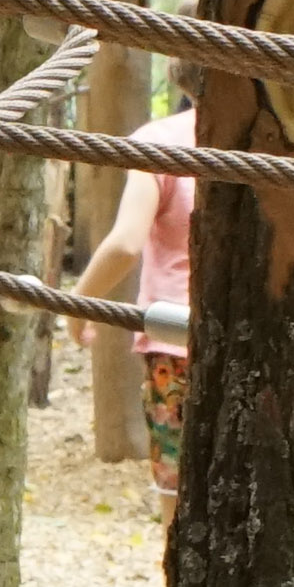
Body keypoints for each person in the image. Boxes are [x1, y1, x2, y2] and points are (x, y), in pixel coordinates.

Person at [72, 160, 197, 461]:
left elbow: (126, 245)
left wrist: (76, 306)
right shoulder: (279, 130)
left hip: (175, 343)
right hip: (260, 337)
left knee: (177, 480)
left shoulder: (160, 143)